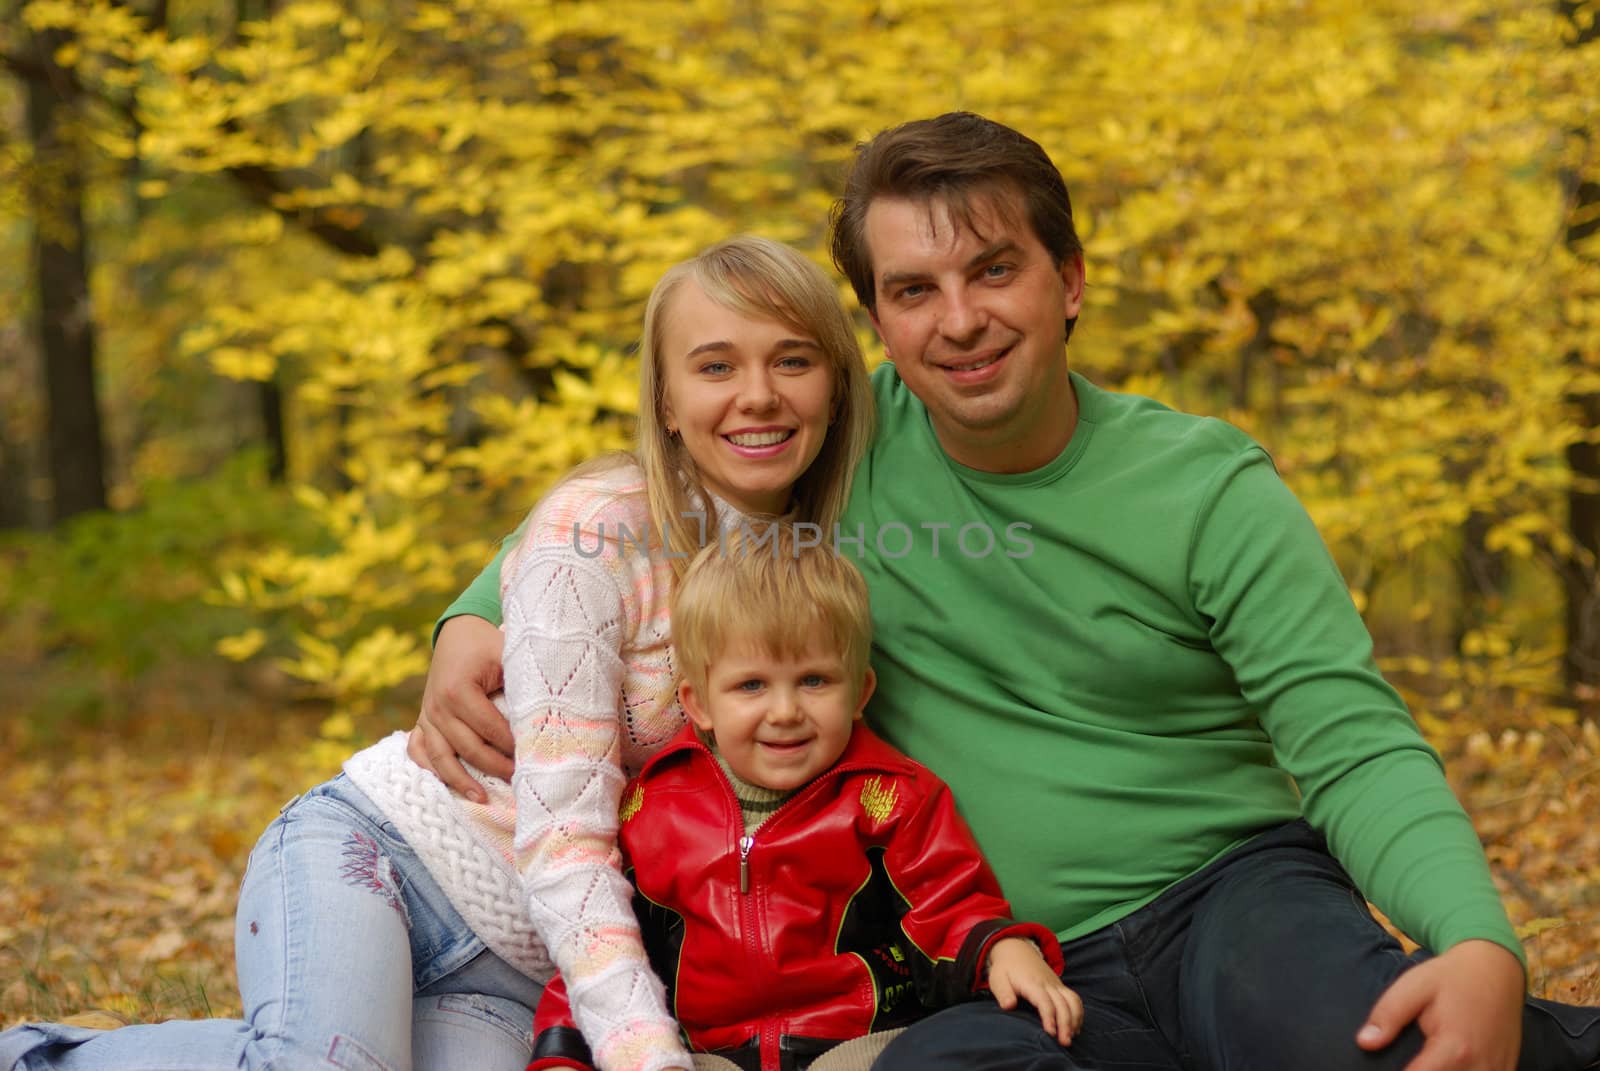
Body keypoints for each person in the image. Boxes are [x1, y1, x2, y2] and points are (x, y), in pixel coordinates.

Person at [412, 114, 1600, 1071]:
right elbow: (667, 476)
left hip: (1228, 895)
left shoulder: (1203, 487)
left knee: (1366, 1044)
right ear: (876, 319)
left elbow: (1350, 746)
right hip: (987, 952)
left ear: (1069, 281)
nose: (961, 319)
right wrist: (477, 607)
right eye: (914, 289)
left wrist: (1477, 939)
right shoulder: (845, 447)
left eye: (995, 270)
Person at [0, 235, 875, 1071]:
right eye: (716, 365)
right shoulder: (597, 531)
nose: (758, 394)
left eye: (792, 360)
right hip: (387, 857)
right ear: (667, 403)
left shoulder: (824, 557)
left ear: (835, 384)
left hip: (529, 968)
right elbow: (566, 834)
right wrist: (649, 1052)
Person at [526, 524, 1080, 1071]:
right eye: (752, 686)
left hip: (858, 1037)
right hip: (711, 1051)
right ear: (699, 705)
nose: (786, 711)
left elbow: (948, 903)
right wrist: (564, 1050)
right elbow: (602, 941)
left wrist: (999, 948)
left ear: (860, 692)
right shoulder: (655, 808)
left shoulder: (889, 798)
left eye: (814, 681)